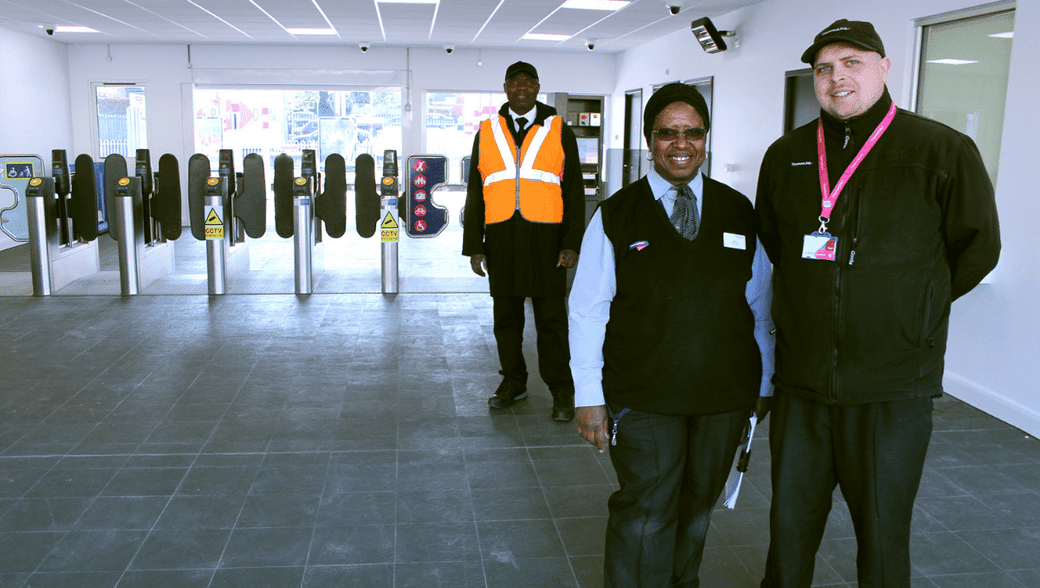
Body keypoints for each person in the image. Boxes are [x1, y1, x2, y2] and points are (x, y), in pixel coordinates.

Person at [755, 19, 1001, 588]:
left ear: (885, 68)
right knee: (789, 528)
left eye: (852, 63)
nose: (837, 78)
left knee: (884, 533)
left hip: (893, 385)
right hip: (804, 382)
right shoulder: (787, 154)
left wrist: (911, 307)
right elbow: (776, 241)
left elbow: (978, 248)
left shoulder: (941, 149)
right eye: (824, 68)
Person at [569, 83, 775, 588]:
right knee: (645, 509)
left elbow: (760, 303)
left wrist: (765, 381)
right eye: (668, 133)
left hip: (723, 395)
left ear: (705, 138)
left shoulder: (737, 211)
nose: (681, 144)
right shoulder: (616, 215)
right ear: (649, 139)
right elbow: (587, 311)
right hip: (643, 395)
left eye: (693, 132)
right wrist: (589, 396)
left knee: (698, 507)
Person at [462, 61, 585, 422]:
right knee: (506, 319)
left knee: (551, 321)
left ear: (536, 87)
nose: (520, 88)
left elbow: (573, 190)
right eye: (514, 82)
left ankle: (562, 390)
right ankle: (513, 381)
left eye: (527, 82)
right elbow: (475, 191)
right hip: (501, 237)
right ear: (505, 88)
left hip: (547, 239)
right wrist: (475, 245)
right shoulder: (487, 130)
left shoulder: (558, 129)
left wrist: (571, 242)